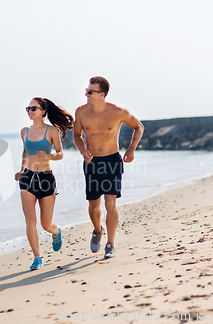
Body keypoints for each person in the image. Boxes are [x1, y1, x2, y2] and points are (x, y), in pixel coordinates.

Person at [73, 76, 144, 259]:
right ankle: (97, 230)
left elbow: (139, 127)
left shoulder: (117, 112)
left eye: (90, 91)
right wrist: (82, 151)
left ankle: (110, 244)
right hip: (91, 163)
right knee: (93, 205)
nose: (86, 94)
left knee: (110, 203)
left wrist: (131, 149)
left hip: (112, 161)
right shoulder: (81, 112)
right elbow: (77, 136)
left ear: (101, 94)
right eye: (86, 91)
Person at [15, 97, 74, 270]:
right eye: (28, 108)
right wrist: (21, 170)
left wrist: (48, 156)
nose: (30, 111)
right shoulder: (24, 131)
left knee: (45, 224)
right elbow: (25, 152)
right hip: (27, 178)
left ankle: (56, 232)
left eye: (33, 108)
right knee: (30, 220)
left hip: (46, 179)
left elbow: (60, 153)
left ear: (43, 111)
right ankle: (37, 257)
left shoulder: (52, 131)